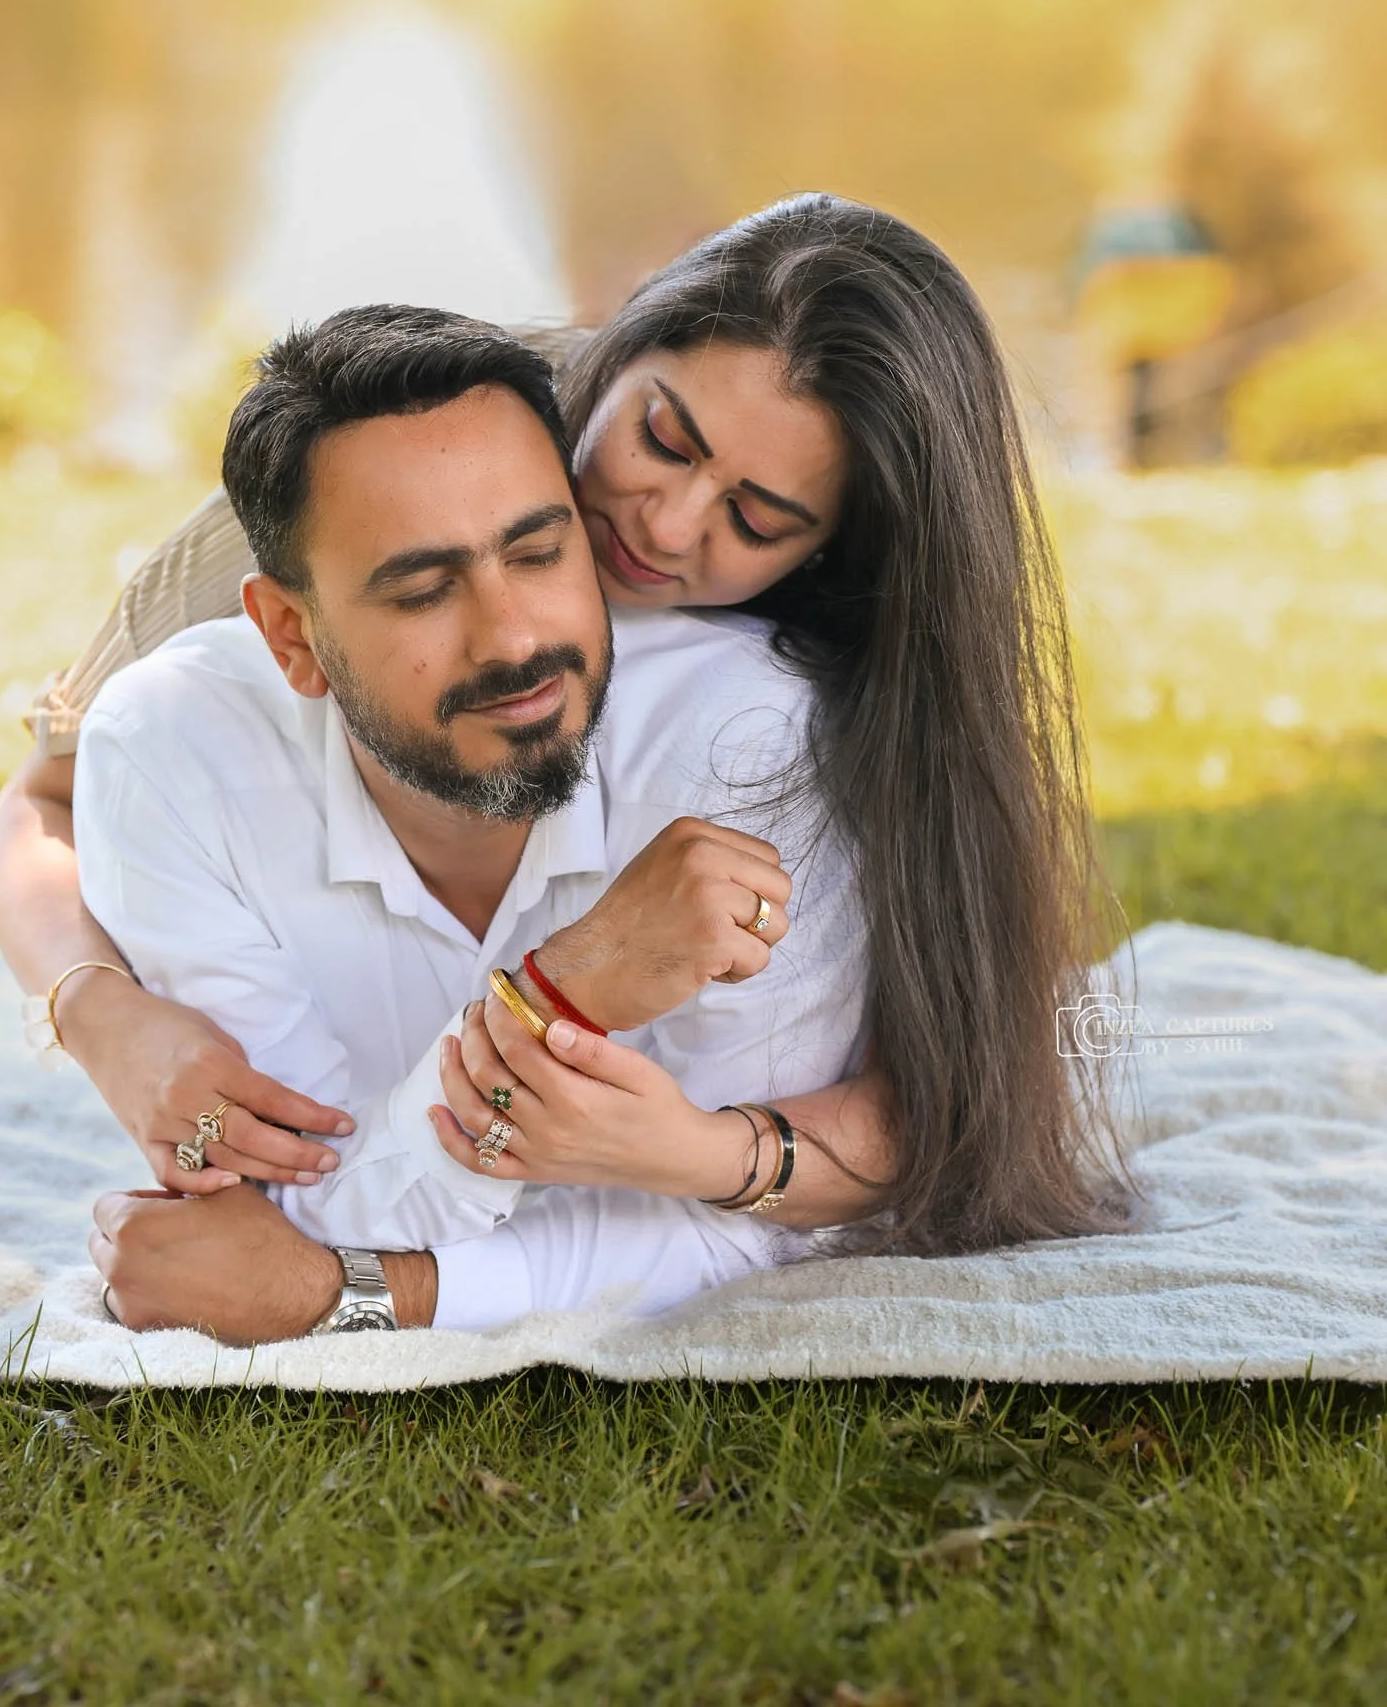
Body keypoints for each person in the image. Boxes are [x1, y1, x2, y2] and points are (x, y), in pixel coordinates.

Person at [0, 193, 1118, 1284]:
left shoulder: (787, 711)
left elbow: (941, 1102)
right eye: (661, 439)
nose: (664, 523)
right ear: (617, 355)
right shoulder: (357, 480)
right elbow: (44, 804)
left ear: (827, 553)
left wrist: (699, 1151)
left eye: (756, 517)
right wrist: (101, 1015)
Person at [78, 304, 868, 1340]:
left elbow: (735, 1226)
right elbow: (290, 1203)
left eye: (539, 553)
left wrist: (347, 1294)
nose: (514, 639)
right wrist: (559, 994)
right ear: (290, 632)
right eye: (422, 589)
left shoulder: (749, 746)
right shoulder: (168, 747)